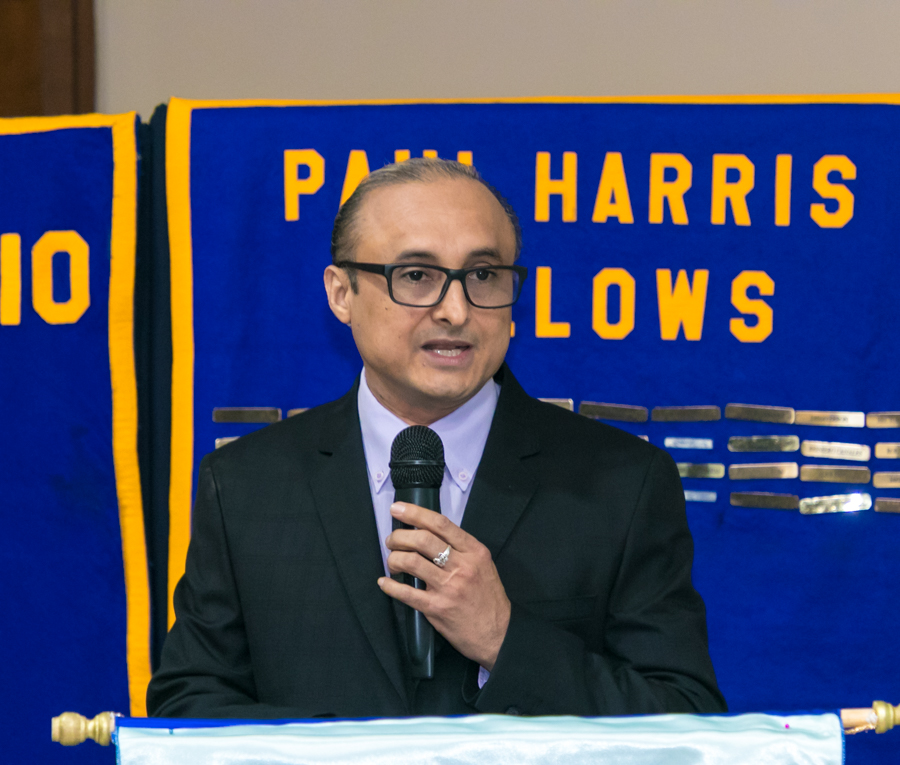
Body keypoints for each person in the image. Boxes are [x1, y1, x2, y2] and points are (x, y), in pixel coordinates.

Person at [147, 158, 726, 718]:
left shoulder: (622, 484)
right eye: (417, 276)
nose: (455, 310)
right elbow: (189, 709)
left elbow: (684, 720)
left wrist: (504, 639)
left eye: (483, 276)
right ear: (342, 293)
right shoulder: (247, 483)